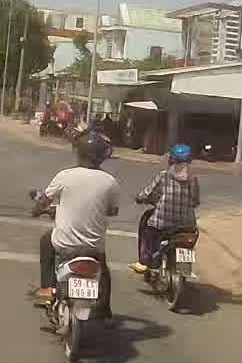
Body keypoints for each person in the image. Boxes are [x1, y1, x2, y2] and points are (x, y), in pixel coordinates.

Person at [30, 131, 121, 317]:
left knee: (46, 242)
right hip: (94, 247)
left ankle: (47, 289)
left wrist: (36, 211)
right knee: (103, 269)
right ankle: (105, 307)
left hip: (65, 243)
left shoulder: (65, 176)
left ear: (79, 152)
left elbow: (44, 201)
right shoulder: (110, 182)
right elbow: (112, 211)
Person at [131, 144, 200, 273]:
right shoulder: (193, 179)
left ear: (171, 160)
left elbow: (148, 193)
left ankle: (144, 261)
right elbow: (195, 202)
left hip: (162, 224)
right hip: (187, 226)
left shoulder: (164, 175)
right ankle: (184, 264)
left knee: (148, 230)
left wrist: (140, 198)